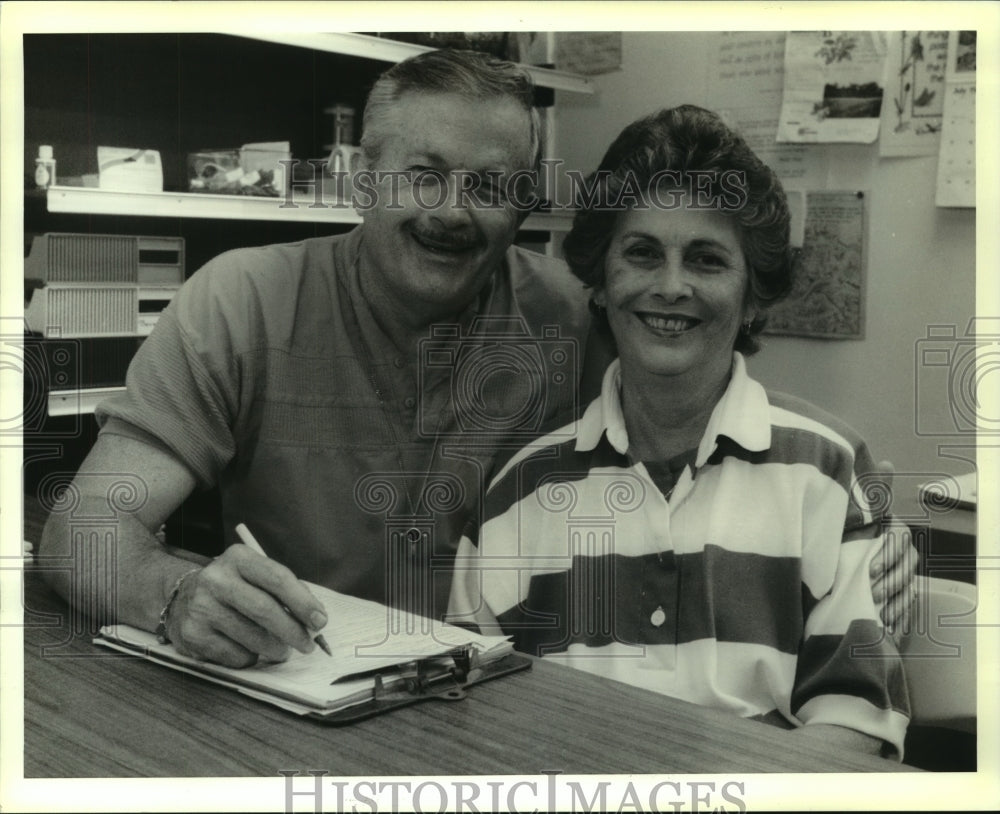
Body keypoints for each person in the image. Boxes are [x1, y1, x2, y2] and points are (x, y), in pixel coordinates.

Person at [40, 50, 915, 670]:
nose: (454, 211)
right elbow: (80, 530)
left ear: (524, 205)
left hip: (495, 701)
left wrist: (875, 521)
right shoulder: (240, 304)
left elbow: (723, 398)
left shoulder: (572, 316)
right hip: (297, 687)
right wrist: (175, 595)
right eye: (424, 174)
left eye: (492, 186)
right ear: (362, 180)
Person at [447, 105, 910, 758]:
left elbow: (856, 733)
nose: (671, 286)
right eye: (641, 253)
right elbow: (473, 723)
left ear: (753, 295)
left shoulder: (829, 474)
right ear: (603, 284)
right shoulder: (518, 489)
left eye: (706, 259)